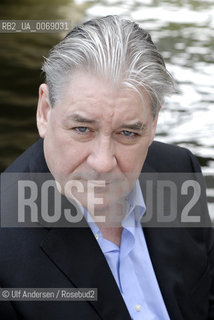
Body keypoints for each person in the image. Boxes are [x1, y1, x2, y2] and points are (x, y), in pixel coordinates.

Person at [0, 15, 214, 320]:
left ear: (153, 125)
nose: (102, 163)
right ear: (45, 111)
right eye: (82, 129)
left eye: (127, 133)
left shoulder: (179, 171)